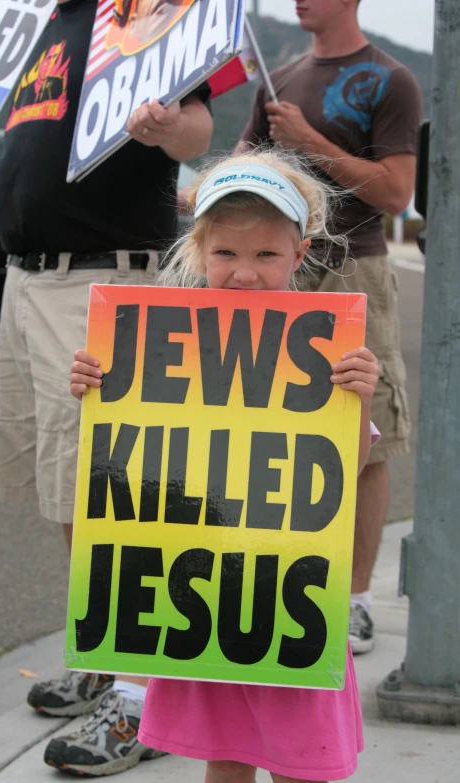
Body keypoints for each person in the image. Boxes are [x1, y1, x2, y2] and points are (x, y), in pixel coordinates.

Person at [70, 147, 380, 782]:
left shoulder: (327, 354)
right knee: (226, 759)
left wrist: (357, 398)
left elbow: (343, 472)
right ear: (197, 252)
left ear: (299, 256)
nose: (244, 273)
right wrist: (101, 388)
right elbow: (132, 465)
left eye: (266, 255)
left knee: (302, 765)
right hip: (211, 602)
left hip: (288, 601)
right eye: (226, 255)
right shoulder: (161, 346)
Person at [0, 0, 212, 776]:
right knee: (71, 493)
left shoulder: (151, 11)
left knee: (120, 501)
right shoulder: (43, 20)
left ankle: (142, 698)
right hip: (30, 281)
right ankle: (108, 658)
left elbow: (199, 123)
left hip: (105, 280)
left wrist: (167, 126)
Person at [236, 0, 423, 654]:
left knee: (366, 440)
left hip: (354, 269)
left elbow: (397, 193)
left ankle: (356, 599)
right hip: (281, 273)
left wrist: (310, 143)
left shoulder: (389, 79)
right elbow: (239, 178)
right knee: (274, 430)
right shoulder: (276, 79)